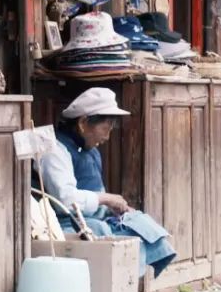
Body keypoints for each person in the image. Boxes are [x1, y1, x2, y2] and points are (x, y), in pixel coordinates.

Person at [35, 87, 176, 278]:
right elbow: (66, 200)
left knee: (139, 222)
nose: (107, 136)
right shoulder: (54, 150)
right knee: (101, 231)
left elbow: (95, 197)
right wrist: (107, 199)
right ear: (84, 123)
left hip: (91, 217)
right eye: (105, 128)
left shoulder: (90, 150)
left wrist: (115, 208)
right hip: (64, 224)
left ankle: (128, 286)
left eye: (111, 129)